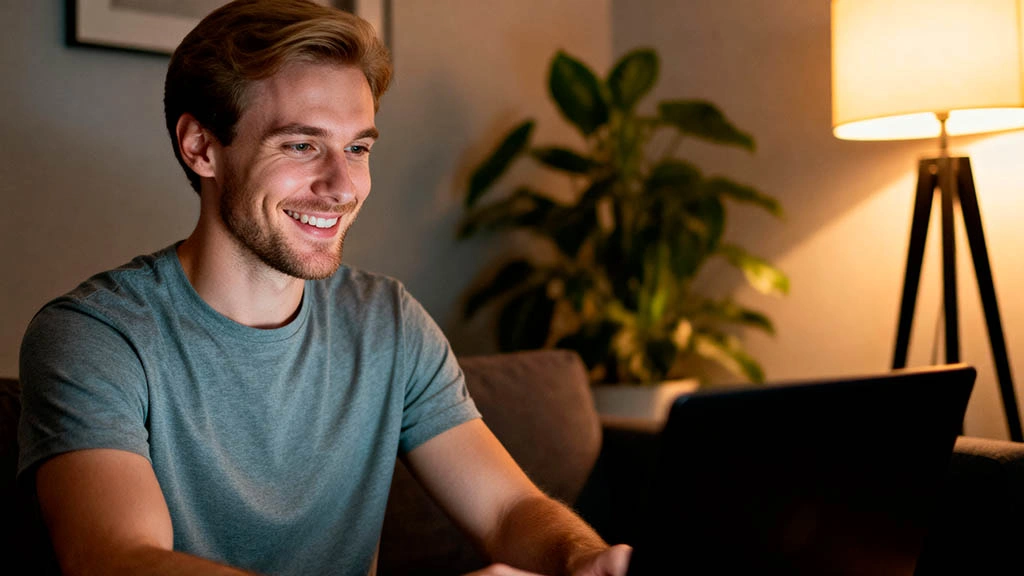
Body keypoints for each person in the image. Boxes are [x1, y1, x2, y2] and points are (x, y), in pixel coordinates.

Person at [16, 1, 632, 575]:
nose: (342, 186)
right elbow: (120, 559)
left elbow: (507, 511)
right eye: (302, 144)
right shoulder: (96, 336)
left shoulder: (388, 321)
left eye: (357, 147)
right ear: (201, 148)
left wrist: (582, 558)